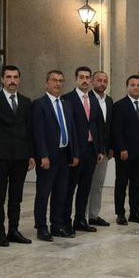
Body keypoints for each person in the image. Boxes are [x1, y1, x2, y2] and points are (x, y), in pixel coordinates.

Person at [0, 65, 35, 247]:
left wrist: (31, 154)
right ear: (2, 79)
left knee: (16, 197)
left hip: (21, 157)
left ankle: (13, 230)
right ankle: (0, 233)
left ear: (19, 79)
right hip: (0, 157)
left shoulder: (26, 102)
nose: (12, 80)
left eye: (15, 77)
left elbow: (30, 130)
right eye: (8, 77)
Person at [31, 70, 80, 241]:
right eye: (54, 80)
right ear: (47, 83)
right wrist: (42, 155)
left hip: (64, 155)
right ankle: (41, 227)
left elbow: (72, 130)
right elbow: (38, 133)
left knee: (61, 193)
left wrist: (74, 153)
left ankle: (56, 225)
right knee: (43, 193)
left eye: (60, 80)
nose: (58, 83)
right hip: (48, 157)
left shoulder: (66, 104)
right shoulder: (39, 104)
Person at [64, 66, 106, 233]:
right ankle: (65, 221)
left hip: (91, 151)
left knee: (85, 187)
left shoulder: (93, 100)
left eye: (87, 77)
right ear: (76, 79)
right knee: (69, 188)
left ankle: (80, 220)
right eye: (81, 77)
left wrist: (100, 149)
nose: (85, 80)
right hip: (75, 151)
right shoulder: (67, 99)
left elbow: (98, 126)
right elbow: (67, 128)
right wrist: (72, 152)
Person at [111, 75, 139, 225]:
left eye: (138, 85)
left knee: (136, 184)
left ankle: (134, 213)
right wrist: (121, 148)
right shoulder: (119, 105)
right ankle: (120, 214)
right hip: (125, 152)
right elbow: (117, 130)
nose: (135, 87)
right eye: (132, 85)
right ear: (127, 87)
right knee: (121, 183)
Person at [86, 70, 113, 227]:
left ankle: (93, 215)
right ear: (92, 82)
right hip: (89, 150)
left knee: (98, 183)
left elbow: (109, 127)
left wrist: (110, 148)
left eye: (105, 81)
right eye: (99, 80)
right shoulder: (86, 98)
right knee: (85, 184)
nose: (102, 83)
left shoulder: (109, 101)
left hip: (104, 150)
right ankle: (81, 216)